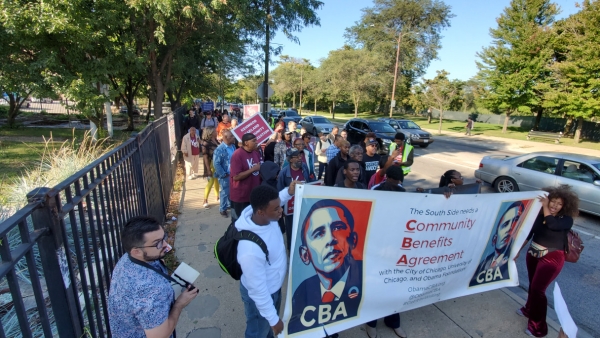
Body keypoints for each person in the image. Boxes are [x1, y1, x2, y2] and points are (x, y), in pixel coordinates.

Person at [108, 216, 198, 337]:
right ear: (136, 251)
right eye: (157, 243)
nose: (166, 245)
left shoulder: (127, 259)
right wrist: (179, 304)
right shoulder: (150, 290)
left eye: (164, 237)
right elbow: (160, 335)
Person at [288, 199, 363, 334]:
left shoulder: (366, 279)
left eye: (338, 228)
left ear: (353, 240)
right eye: (319, 233)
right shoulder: (300, 293)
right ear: (305, 255)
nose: (330, 239)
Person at [515, 185, 579, 338]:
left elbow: (552, 224)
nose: (554, 205)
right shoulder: (538, 215)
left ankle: (538, 328)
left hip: (552, 257)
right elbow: (528, 233)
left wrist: (544, 206)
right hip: (533, 253)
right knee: (533, 285)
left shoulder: (566, 219)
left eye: (559, 204)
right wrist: (517, 250)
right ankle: (529, 309)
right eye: (553, 201)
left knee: (538, 290)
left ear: (565, 206)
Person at [237, 183, 299, 338]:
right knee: (258, 332)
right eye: (276, 209)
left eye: (280, 206)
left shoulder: (264, 217)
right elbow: (258, 290)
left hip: (274, 286)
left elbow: (276, 201)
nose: (281, 210)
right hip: (263, 295)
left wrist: (288, 192)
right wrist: (273, 319)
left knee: (268, 332)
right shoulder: (249, 251)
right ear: (261, 212)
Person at [366, 165, 408, 338]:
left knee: (394, 285)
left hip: (396, 244)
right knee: (376, 285)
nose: (395, 184)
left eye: (398, 182)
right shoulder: (376, 190)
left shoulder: (403, 191)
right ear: (386, 178)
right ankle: (371, 322)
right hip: (376, 244)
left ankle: (393, 321)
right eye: (393, 181)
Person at [469, 201, 526, 287]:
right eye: (506, 224)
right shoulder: (481, 264)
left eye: (515, 222)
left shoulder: (509, 260)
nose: (510, 228)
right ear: (495, 235)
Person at [277, 148, 316, 248]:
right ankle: (292, 252)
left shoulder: (304, 167)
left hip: (304, 205)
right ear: (290, 159)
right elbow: (280, 191)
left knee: (305, 229)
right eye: (297, 157)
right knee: (291, 231)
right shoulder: (284, 173)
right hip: (290, 210)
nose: (300, 158)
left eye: (300, 156)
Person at [230, 133, 262, 221]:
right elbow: (236, 176)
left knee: (251, 221)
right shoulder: (237, 154)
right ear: (246, 142)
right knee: (239, 222)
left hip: (253, 196)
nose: (257, 142)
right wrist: (253, 169)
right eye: (254, 141)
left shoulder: (255, 153)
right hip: (241, 197)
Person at [213, 130, 236, 218]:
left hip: (233, 173)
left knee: (231, 191)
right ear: (225, 138)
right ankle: (222, 209)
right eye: (231, 137)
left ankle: (229, 204)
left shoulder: (233, 146)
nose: (233, 138)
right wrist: (223, 174)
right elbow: (216, 164)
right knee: (225, 192)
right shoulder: (219, 149)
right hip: (225, 175)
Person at [201, 127, 220, 209]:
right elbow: (205, 157)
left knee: (217, 181)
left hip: (217, 163)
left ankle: (217, 197)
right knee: (211, 182)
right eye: (215, 131)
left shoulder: (215, 140)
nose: (216, 132)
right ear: (210, 132)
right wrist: (208, 169)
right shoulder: (205, 143)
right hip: (210, 164)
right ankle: (205, 200)